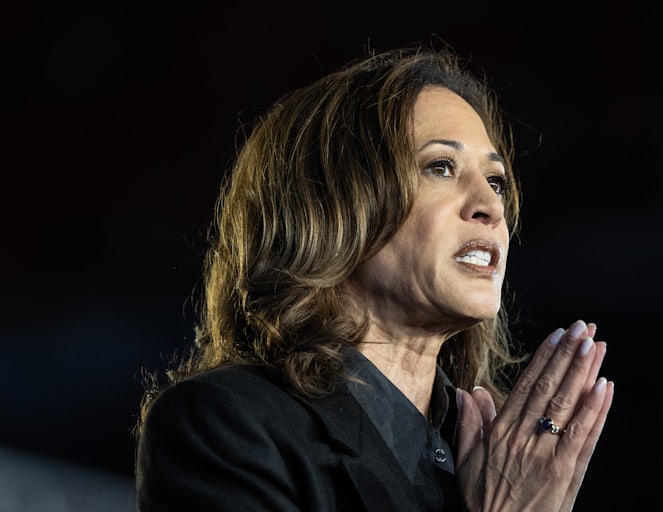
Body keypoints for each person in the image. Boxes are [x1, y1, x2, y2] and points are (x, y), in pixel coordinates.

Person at [134, 43, 614, 511]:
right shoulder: (228, 423)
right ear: (332, 208)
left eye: (496, 182)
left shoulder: (510, 462)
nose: (490, 207)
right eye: (441, 167)